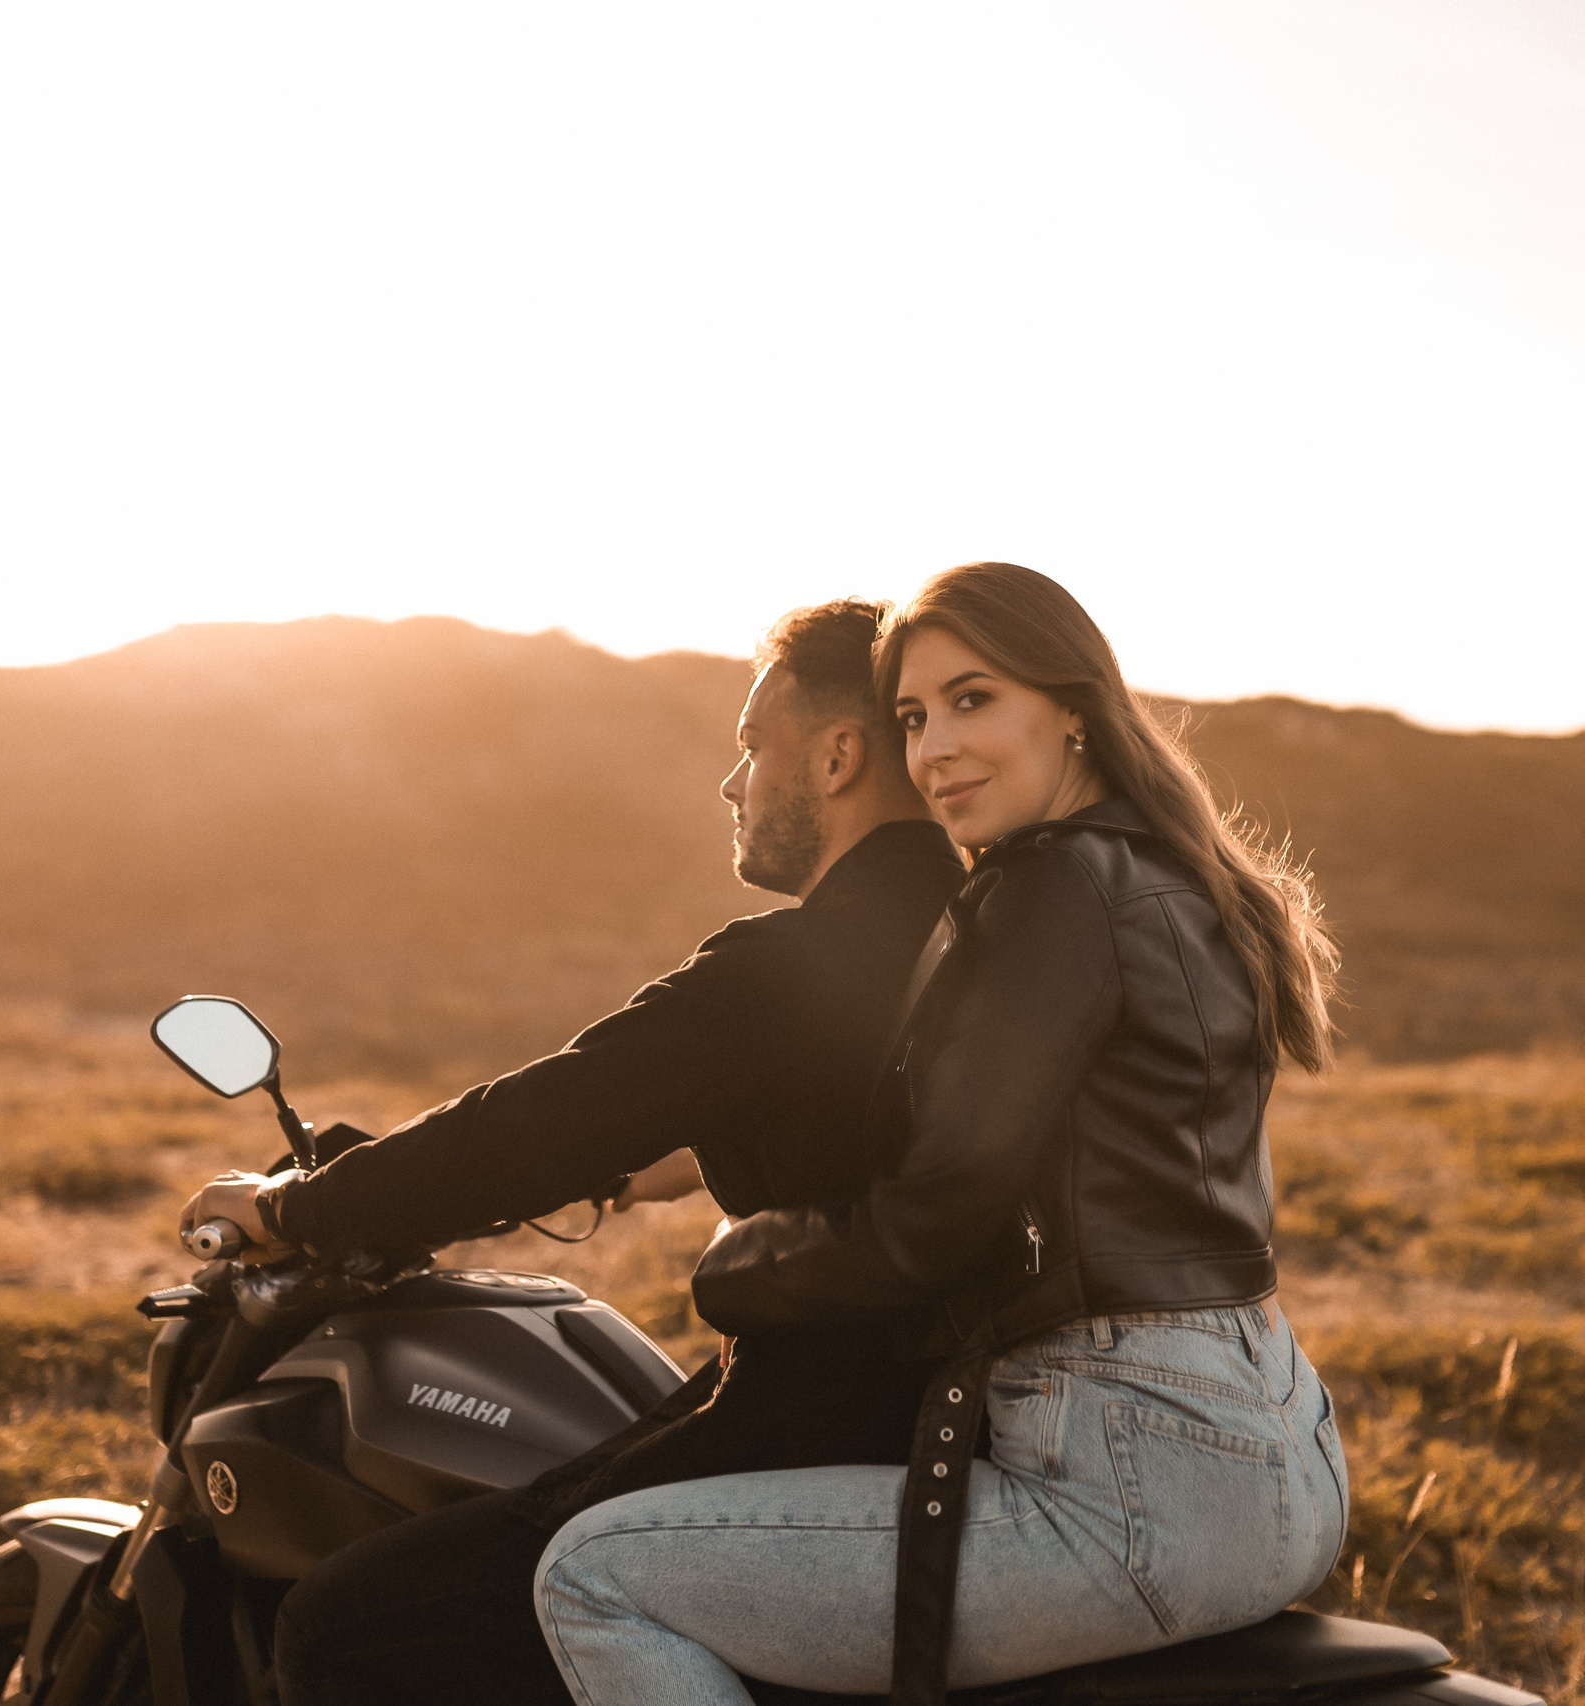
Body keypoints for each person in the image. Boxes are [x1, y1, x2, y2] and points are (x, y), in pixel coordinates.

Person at [533, 562, 1351, 1705]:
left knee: (594, 1571)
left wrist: (733, 1266)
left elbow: (937, 1210)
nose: (934, 749)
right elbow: (1061, 1129)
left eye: (974, 700)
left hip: (1131, 1471)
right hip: (1279, 1442)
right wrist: (663, 1167)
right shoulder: (1167, 872)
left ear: (1070, 704)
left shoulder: (1045, 885)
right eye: (913, 716)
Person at [173, 599, 966, 1706]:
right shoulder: (981, 930)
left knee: (352, 1623)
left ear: (837, 756)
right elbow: (879, 1107)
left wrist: (295, 1208)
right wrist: (668, 1157)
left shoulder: (785, 966)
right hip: (957, 1405)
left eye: (751, 745)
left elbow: (528, 1126)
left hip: (815, 1413)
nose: (731, 783)